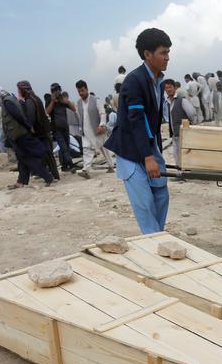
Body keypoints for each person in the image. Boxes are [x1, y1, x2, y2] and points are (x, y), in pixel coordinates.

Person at [104, 27, 171, 234]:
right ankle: (153, 239)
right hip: (130, 150)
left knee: (161, 195)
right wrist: (148, 158)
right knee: (145, 203)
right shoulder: (134, 80)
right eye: (163, 53)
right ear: (147, 54)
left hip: (149, 146)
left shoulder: (158, 81)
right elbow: (137, 120)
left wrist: (154, 153)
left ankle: (156, 237)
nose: (167, 57)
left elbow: (154, 123)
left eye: (168, 52)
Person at [0, 84, 54, 189]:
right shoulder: (10, 99)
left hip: (19, 135)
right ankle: (21, 181)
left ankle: (47, 176)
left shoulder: (7, 101)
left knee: (26, 158)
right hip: (19, 134)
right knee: (22, 159)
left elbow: (18, 116)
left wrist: (28, 126)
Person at [76, 80, 114, 178]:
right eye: (79, 91)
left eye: (82, 90)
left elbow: (102, 113)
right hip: (86, 131)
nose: (81, 93)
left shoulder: (95, 100)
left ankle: (111, 165)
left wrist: (101, 125)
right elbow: (79, 116)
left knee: (104, 148)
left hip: (97, 129)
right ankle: (86, 170)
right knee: (86, 149)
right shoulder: (78, 103)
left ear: (87, 89)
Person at [164, 79, 195, 166]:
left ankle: (183, 171)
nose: (168, 89)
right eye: (166, 88)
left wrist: (187, 124)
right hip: (174, 134)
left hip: (183, 132)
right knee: (176, 153)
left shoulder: (182, 100)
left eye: (170, 87)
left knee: (183, 153)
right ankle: (179, 171)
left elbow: (191, 113)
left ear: (175, 88)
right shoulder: (167, 102)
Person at [46, 83, 74, 171]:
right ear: (52, 92)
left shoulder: (62, 99)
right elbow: (47, 112)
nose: (58, 92)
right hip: (56, 129)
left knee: (66, 147)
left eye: (59, 90)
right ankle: (71, 164)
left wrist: (67, 102)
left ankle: (64, 166)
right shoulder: (49, 100)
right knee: (63, 147)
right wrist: (52, 101)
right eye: (56, 90)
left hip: (65, 127)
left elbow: (73, 109)